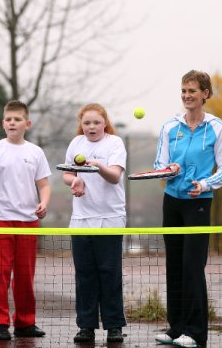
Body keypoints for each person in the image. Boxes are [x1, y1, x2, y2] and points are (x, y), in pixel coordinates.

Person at [153, 70, 222, 348]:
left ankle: (196, 333)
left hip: (198, 202)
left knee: (192, 266)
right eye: (184, 91)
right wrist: (169, 170)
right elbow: (158, 165)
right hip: (171, 201)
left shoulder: (217, 128)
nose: (187, 96)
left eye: (192, 91)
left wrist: (205, 184)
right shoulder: (169, 128)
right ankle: (176, 329)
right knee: (174, 265)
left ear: (205, 94)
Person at [0, 100, 51, 341]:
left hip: (28, 222)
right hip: (0, 220)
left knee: (25, 275)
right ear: (2, 123)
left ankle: (25, 322)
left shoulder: (35, 152)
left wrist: (44, 203)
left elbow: (44, 184)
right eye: (8, 119)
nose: (12, 123)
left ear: (27, 123)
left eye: (17, 119)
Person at [62, 103, 127, 344]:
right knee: (85, 275)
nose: (91, 127)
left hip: (110, 218)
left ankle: (114, 326)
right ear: (82, 124)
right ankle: (86, 326)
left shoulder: (114, 143)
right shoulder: (76, 144)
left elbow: (114, 176)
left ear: (104, 123)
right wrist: (75, 181)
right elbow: (67, 173)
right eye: (86, 123)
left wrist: (97, 165)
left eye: (96, 122)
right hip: (81, 220)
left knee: (110, 274)